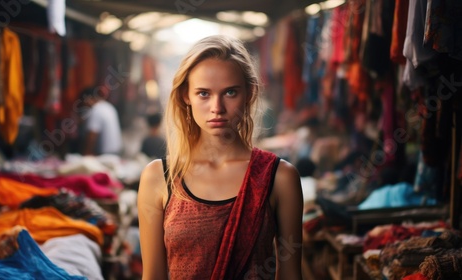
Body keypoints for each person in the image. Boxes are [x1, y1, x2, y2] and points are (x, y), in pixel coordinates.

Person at [137, 35, 303, 279]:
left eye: (230, 93)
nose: (217, 107)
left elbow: (290, 276)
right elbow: (153, 276)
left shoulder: (279, 177)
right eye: (203, 93)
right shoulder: (159, 177)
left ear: (249, 94)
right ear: (186, 96)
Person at [79, 86, 123, 156]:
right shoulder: (109, 107)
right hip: (116, 153)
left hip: (104, 155)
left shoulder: (96, 110)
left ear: (88, 99)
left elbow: (92, 136)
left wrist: (85, 155)